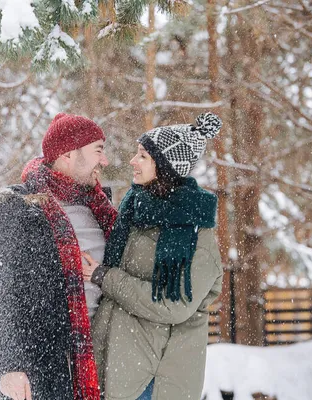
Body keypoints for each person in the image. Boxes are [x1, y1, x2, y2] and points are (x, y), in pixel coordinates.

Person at [0, 113, 118, 400]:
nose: (105, 161)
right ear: (67, 155)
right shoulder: (18, 210)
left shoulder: (102, 209)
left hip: (102, 362)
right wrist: (8, 366)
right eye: (98, 150)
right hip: (44, 367)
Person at [86, 113, 224, 400]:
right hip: (118, 369)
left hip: (155, 380)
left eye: (143, 156)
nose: (133, 162)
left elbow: (174, 306)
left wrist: (105, 277)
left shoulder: (195, 232)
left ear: (165, 166)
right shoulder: (135, 213)